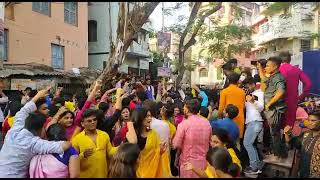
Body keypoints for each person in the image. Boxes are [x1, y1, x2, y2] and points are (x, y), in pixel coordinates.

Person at [0, 87, 72, 178]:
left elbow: (23, 111)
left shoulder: (15, 130)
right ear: (40, 129)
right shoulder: (34, 143)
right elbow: (63, 146)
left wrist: (38, 95)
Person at [71, 109, 119, 178]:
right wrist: (82, 155)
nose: (93, 122)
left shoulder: (104, 135)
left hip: (103, 175)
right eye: (89, 121)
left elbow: (110, 152)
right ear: (82, 124)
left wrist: (121, 147)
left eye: (94, 120)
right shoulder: (76, 139)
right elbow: (72, 162)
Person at [173, 99, 212, 178]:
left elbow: (176, 144)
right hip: (203, 162)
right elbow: (210, 141)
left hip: (188, 163)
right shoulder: (207, 123)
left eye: (184, 107)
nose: (183, 109)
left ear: (187, 109)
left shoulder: (183, 124)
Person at [132, 108, 169, 178]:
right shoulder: (132, 135)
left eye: (150, 116)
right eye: (147, 116)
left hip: (152, 171)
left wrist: (160, 152)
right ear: (140, 117)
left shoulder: (153, 134)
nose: (150, 118)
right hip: (135, 172)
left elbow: (157, 152)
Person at [278, 51, 312, 127]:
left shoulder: (275, 71)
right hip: (292, 102)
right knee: (289, 127)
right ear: (290, 59)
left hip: (277, 103)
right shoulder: (296, 70)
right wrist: (301, 97)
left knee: (277, 129)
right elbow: (308, 84)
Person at [264, 56, 288, 162]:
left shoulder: (278, 77)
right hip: (272, 110)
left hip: (275, 110)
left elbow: (281, 91)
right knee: (274, 132)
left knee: (275, 133)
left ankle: (277, 155)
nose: (266, 67)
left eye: (268, 65)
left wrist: (270, 102)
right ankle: (280, 154)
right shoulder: (272, 76)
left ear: (275, 66)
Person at [284, 111, 320, 178]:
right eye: (308, 120)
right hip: (302, 173)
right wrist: (287, 133)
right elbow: (292, 143)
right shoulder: (305, 134)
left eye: (313, 120)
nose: (310, 123)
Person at [242, 77, 265, 174]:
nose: (247, 88)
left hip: (255, 121)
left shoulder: (259, 93)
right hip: (251, 122)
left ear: (252, 84)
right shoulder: (249, 94)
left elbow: (261, 108)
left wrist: (253, 101)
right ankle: (257, 165)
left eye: (248, 86)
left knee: (247, 143)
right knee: (251, 144)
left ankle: (254, 167)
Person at [218, 73, 245, 140]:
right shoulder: (242, 92)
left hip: (228, 120)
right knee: (237, 142)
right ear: (238, 81)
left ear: (228, 81)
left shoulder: (224, 91)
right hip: (239, 119)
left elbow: (221, 107)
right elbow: (243, 106)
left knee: (227, 141)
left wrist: (220, 118)